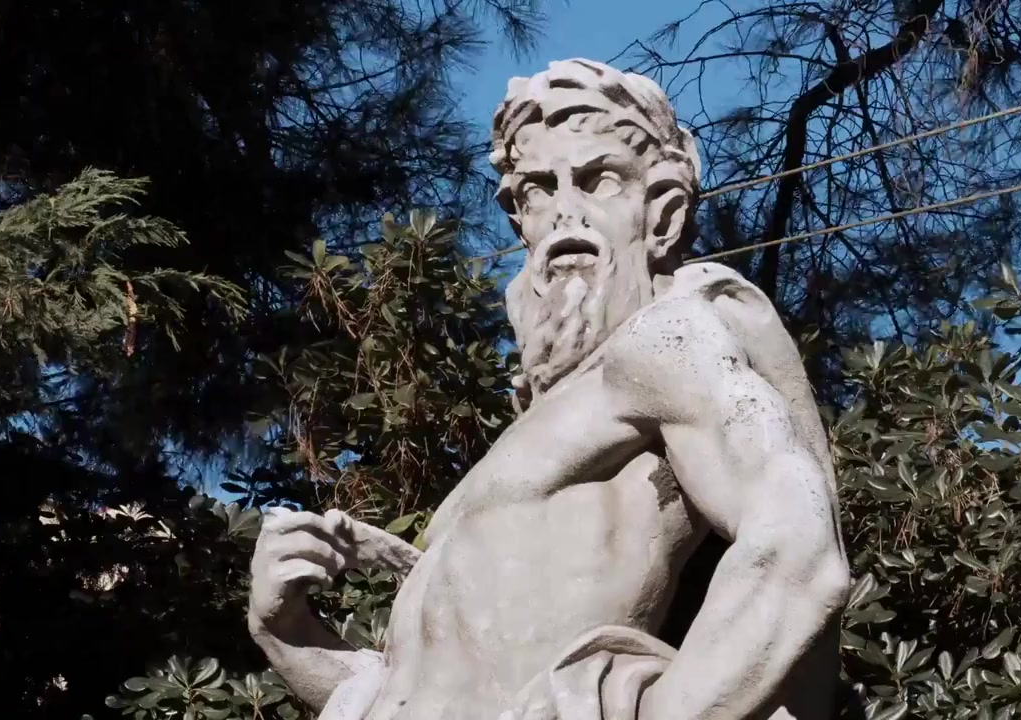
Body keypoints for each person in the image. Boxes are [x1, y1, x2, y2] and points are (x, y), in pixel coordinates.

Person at [248, 58, 850, 720]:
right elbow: (416, 691)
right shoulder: (511, 453)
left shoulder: (668, 342)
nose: (565, 213)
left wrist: (668, 709)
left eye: (598, 180)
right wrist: (285, 631)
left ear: (663, 215)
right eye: (537, 190)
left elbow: (796, 548)